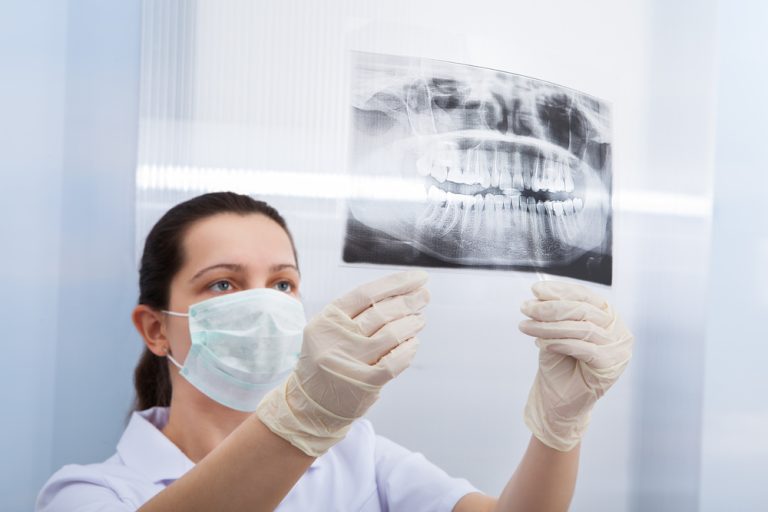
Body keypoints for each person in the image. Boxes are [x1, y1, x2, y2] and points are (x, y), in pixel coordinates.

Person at [36, 191, 634, 512]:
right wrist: (304, 417)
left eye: (282, 285)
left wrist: (561, 426)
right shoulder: (90, 493)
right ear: (155, 329)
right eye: (223, 283)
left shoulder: (357, 457)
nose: (264, 304)